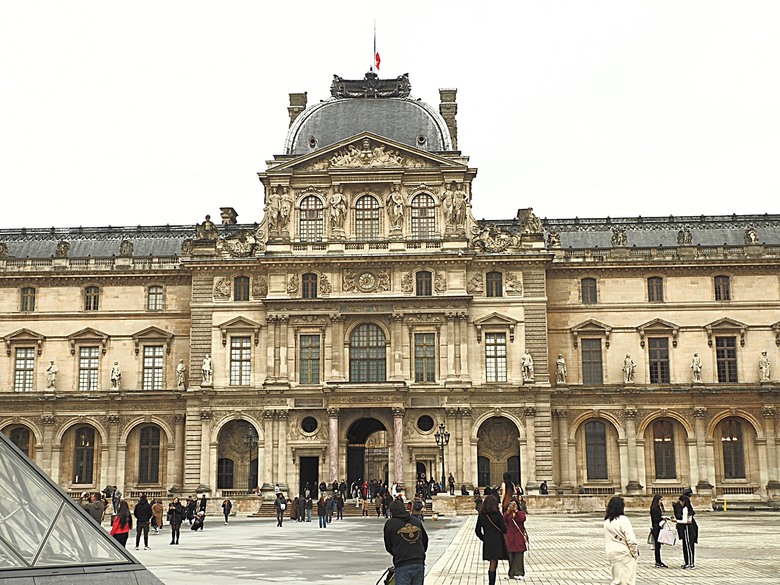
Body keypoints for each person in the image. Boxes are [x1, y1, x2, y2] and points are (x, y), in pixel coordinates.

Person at [384, 498, 428, 585]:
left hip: (402, 562)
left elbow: (388, 546)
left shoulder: (390, 524)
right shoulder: (415, 521)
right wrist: (419, 552)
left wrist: (398, 552)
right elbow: (425, 540)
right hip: (419, 561)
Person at [603, 496, 639, 585]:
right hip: (624, 553)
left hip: (611, 552)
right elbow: (631, 539)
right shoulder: (623, 519)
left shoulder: (607, 521)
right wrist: (634, 553)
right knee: (626, 580)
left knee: (617, 578)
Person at [475, 494, 508, 585]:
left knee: (493, 562)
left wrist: (484, 538)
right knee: (493, 562)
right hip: (497, 541)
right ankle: (491, 583)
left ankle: (491, 582)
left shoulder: (482, 515)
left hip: (488, 541)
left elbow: (477, 530)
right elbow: (504, 529)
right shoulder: (497, 514)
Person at [503, 499, 528, 580]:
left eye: (515, 504)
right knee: (510, 557)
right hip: (510, 537)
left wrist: (516, 511)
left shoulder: (520, 513)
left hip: (518, 537)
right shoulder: (508, 513)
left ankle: (519, 572)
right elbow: (503, 520)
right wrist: (507, 511)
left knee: (518, 556)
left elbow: (522, 519)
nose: (513, 506)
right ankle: (511, 573)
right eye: (512, 504)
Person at [674, 494, 698, 569]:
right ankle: (688, 562)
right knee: (687, 545)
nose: (680, 503)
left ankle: (691, 563)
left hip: (687, 528)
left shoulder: (685, 509)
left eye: (681, 502)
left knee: (688, 546)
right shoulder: (689, 508)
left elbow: (686, 521)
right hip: (689, 527)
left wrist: (676, 521)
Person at [649, 494, 669, 568]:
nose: (661, 501)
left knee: (659, 546)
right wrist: (662, 518)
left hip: (659, 528)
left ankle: (658, 561)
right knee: (657, 546)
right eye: (660, 500)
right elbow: (655, 519)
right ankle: (657, 561)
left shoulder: (657, 508)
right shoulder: (654, 509)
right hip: (656, 528)